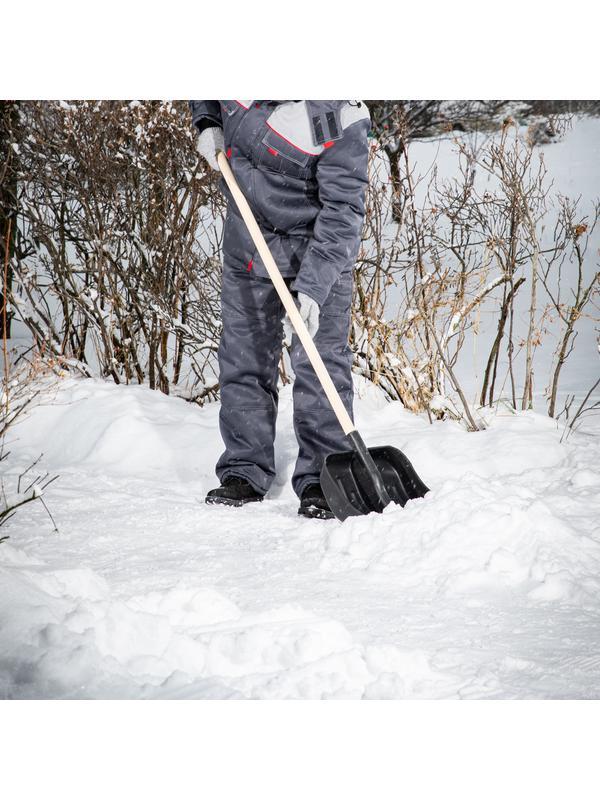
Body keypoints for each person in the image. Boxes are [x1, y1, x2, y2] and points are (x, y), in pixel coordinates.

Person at [189, 100, 371, 519]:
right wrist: (207, 121)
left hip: (316, 254)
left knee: (320, 363)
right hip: (248, 245)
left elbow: (344, 212)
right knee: (243, 357)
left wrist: (312, 289)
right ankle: (243, 469)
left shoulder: (342, 112)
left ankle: (324, 474)